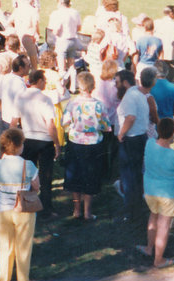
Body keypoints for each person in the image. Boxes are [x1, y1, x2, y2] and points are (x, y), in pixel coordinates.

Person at [0, 128, 40, 281]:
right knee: (24, 247)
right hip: (24, 209)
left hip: (3, 208)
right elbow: (37, 186)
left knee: (4, 247)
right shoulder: (28, 165)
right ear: (19, 145)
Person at [140, 117, 174, 269]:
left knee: (153, 216)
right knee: (164, 225)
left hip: (149, 190)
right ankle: (159, 259)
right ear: (172, 134)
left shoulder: (149, 144)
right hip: (168, 194)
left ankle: (149, 248)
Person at [62, 72, 111, 220]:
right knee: (91, 175)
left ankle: (76, 210)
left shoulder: (72, 103)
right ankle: (87, 212)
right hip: (93, 144)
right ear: (92, 86)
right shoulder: (99, 105)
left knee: (75, 175)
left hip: (75, 142)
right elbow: (106, 126)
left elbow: (64, 122)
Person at [14, 69, 59, 215]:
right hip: (44, 141)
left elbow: (14, 122)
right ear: (39, 81)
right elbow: (50, 125)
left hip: (27, 140)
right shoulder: (45, 99)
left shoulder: (20, 97)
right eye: (44, 80)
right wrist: (57, 144)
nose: (45, 83)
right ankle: (46, 208)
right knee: (45, 176)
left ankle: (28, 206)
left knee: (27, 176)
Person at [116, 69, 150, 221]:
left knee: (128, 175)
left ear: (124, 82)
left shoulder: (129, 96)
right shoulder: (139, 93)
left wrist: (121, 133)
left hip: (131, 139)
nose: (115, 86)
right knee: (136, 174)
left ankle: (129, 210)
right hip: (140, 137)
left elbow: (130, 117)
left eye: (117, 82)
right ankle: (137, 206)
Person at [46, 0, 82, 75]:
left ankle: (62, 85)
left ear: (60, 2)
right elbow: (79, 27)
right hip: (73, 40)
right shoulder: (75, 12)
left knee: (62, 67)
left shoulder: (57, 13)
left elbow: (56, 30)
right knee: (71, 65)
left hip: (62, 40)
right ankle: (73, 85)